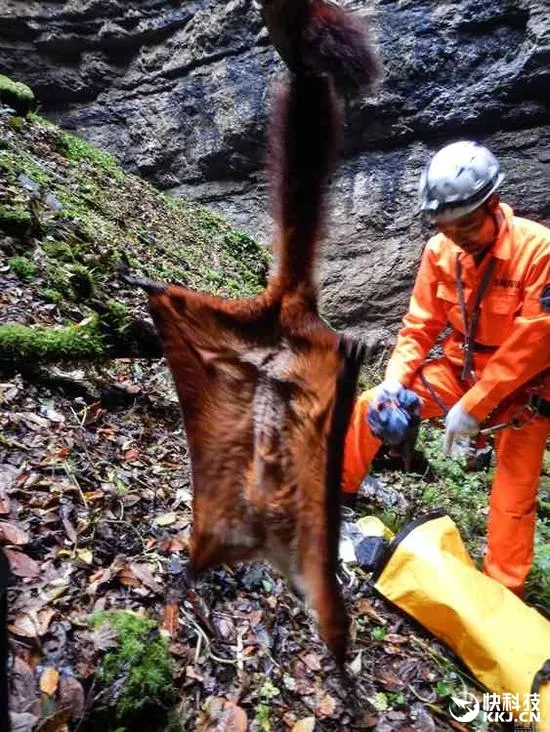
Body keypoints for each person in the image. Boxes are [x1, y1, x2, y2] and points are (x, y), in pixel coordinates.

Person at [342, 140, 550, 596]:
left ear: (492, 204)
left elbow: (536, 341)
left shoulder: (539, 251)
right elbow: (420, 325)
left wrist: (475, 406)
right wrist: (394, 384)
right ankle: (336, 496)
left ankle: (502, 593)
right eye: (446, 225)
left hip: (527, 390)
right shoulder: (440, 251)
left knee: (513, 496)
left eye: (467, 224)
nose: (458, 235)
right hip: (461, 369)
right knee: (367, 407)